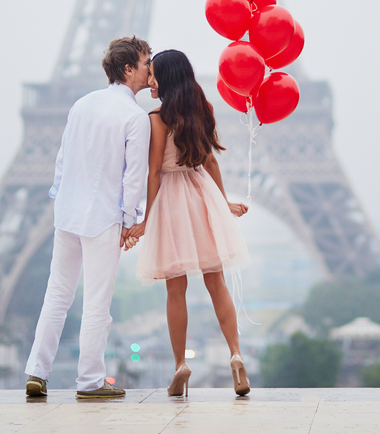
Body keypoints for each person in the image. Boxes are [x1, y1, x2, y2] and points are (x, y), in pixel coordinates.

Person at [24, 36, 152, 400]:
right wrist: (129, 221)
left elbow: (62, 160)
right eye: (145, 62)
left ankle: (37, 372)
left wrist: (60, 197)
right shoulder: (135, 116)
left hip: (67, 213)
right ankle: (90, 381)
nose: (149, 69)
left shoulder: (82, 105)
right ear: (128, 69)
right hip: (103, 218)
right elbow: (134, 176)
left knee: (57, 296)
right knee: (97, 303)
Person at [125, 50, 252, 396]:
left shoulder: (157, 117)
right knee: (217, 283)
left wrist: (146, 220)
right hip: (201, 196)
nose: (149, 81)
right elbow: (210, 161)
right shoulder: (201, 109)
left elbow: (153, 172)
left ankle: (181, 363)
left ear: (164, 78)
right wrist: (222, 204)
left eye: (152, 75)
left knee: (175, 289)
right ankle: (236, 355)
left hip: (170, 202)